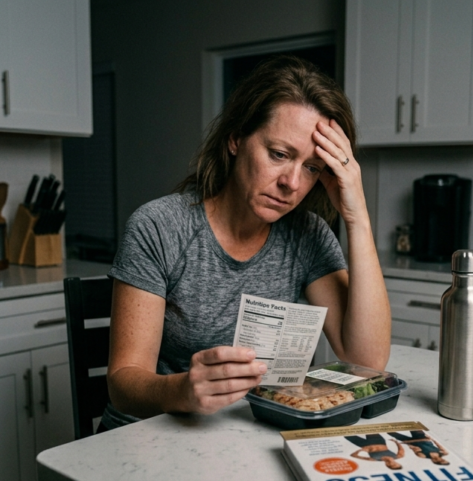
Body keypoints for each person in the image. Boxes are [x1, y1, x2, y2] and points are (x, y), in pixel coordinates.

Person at [105, 56, 390, 427]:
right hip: (150, 434)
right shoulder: (159, 227)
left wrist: (358, 217)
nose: (291, 183)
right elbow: (122, 385)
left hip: (244, 431)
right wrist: (184, 391)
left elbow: (367, 362)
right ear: (236, 139)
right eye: (279, 154)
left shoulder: (307, 235)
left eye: (311, 168)